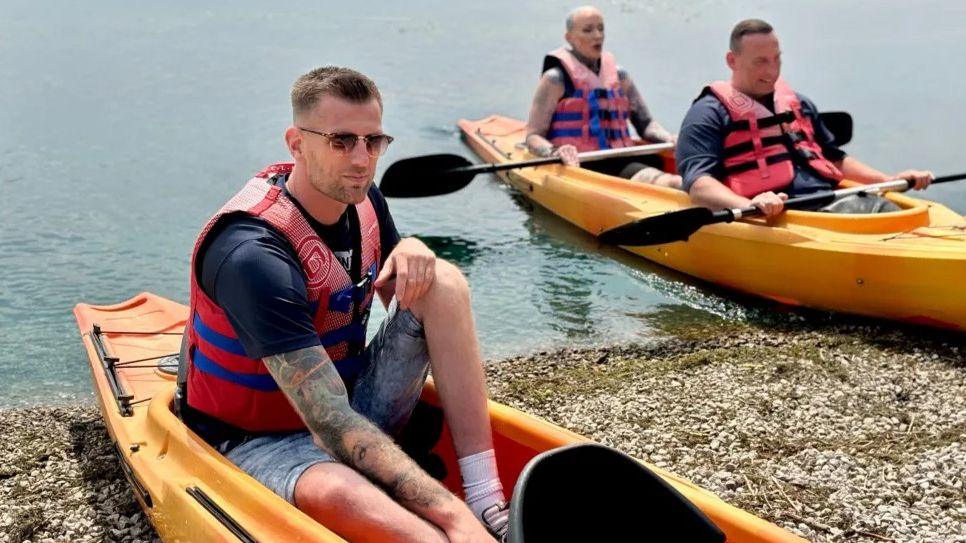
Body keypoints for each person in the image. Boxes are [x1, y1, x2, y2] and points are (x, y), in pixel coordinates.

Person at [177, 66, 508, 542]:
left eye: (373, 141)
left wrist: (411, 250)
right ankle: (453, 523)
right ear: (296, 143)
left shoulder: (365, 200)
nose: (361, 159)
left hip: (351, 401)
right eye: (341, 140)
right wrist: (451, 519)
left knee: (445, 281)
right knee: (345, 497)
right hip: (258, 438)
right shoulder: (253, 254)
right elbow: (329, 424)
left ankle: (486, 497)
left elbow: (407, 303)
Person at [676, 19, 933, 217]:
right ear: (732, 60)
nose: (772, 71)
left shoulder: (798, 103)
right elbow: (699, 186)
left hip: (834, 204)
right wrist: (749, 204)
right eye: (761, 62)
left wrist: (889, 180)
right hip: (776, 215)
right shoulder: (707, 114)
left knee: (886, 211)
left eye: (777, 59)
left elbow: (833, 158)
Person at [525, 5, 682, 188]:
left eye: (600, 28)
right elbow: (533, 136)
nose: (597, 35)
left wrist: (669, 138)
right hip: (578, 165)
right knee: (673, 183)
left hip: (620, 158)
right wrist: (554, 152)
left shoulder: (619, 76)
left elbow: (646, 125)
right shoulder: (555, 79)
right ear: (570, 38)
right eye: (588, 30)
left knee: (672, 176)